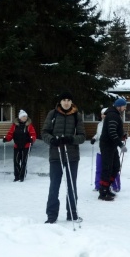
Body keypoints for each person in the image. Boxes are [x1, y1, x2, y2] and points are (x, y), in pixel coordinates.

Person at [41, 91, 85, 224]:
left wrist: (71, 139)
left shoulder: (77, 116)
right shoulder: (52, 114)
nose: (66, 102)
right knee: (54, 185)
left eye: (68, 100)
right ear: (60, 102)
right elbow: (44, 132)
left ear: (72, 102)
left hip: (72, 156)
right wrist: (52, 140)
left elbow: (82, 136)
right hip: (56, 155)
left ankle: (72, 213)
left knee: (71, 186)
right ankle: (51, 215)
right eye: (64, 100)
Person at [98, 98, 127, 201]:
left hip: (112, 145)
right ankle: (103, 192)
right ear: (119, 106)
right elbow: (111, 132)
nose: (125, 108)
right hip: (107, 145)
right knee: (108, 167)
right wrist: (121, 144)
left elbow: (114, 131)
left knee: (115, 167)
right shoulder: (113, 115)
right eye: (124, 106)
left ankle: (107, 187)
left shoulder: (114, 114)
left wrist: (122, 135)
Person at [91, 108, 121, 192]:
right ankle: (98, 185)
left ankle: (115, 185)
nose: (103, 116)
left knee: (111, 168)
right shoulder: (99, 124)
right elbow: (98, 134)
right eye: (102, 114)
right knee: (99, 169)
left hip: (109, 150)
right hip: (99, 150)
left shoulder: (111, 123)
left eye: (105, 114)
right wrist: (94, 138)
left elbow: (114, 133)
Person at [3, 109, 36, 182]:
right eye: (23, 116)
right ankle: (17, 176)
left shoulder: (29, 126)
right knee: (16, 161)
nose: (25, 118)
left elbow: (33, 134)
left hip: (26, 146)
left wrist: (32, 139)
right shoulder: (15, 126)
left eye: (26, 116)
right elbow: (10, 134)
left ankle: (22, 176)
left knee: (24, 161)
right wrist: (6, 139)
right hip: (17, 146)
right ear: (20, 117)